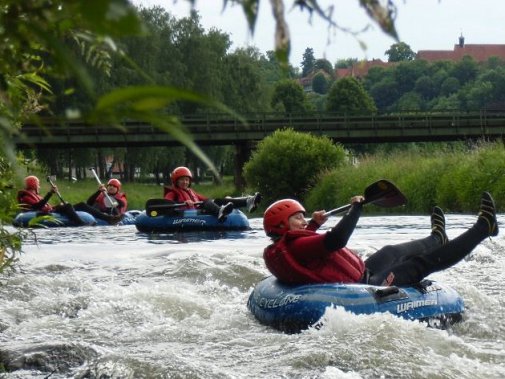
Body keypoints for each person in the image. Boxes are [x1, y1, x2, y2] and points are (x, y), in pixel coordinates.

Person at [262, 192, 498, 287]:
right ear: (282, 225)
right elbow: (337, 240)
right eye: (297, 218)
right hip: (367, 289)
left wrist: (314, 225)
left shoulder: (287, 246)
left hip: (361, 276)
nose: (304, 222)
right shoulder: (296, 245)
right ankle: (484, 228)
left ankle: (437, 238)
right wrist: (355, 208)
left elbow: (308, 247)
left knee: (390, 251)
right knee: (418, 264)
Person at [164, 166, 261, 222]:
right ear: (176, 181)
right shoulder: (172, 193)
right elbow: (167, 205)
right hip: (186, 215)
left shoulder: (190, 191)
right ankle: (219, 212)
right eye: (182, 180)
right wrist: (184, 202)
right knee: (208, 202)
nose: (185, 182)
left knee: (216, 200)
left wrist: (224, 200)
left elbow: (206, 199)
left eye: (186, 180)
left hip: (198, 211)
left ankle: (247, 202)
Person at [17, 175, 86, 226]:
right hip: (39, 213)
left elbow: (44, 205)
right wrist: (50, 193)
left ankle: (81, 219)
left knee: (74, 205)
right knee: (67, 206)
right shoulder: (26, 197)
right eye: (38, 184)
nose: (39, 186)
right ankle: (81, 223)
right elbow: (38, 206)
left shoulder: (35, 195)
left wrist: (58, 206)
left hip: (48, 211)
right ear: (34, 185)